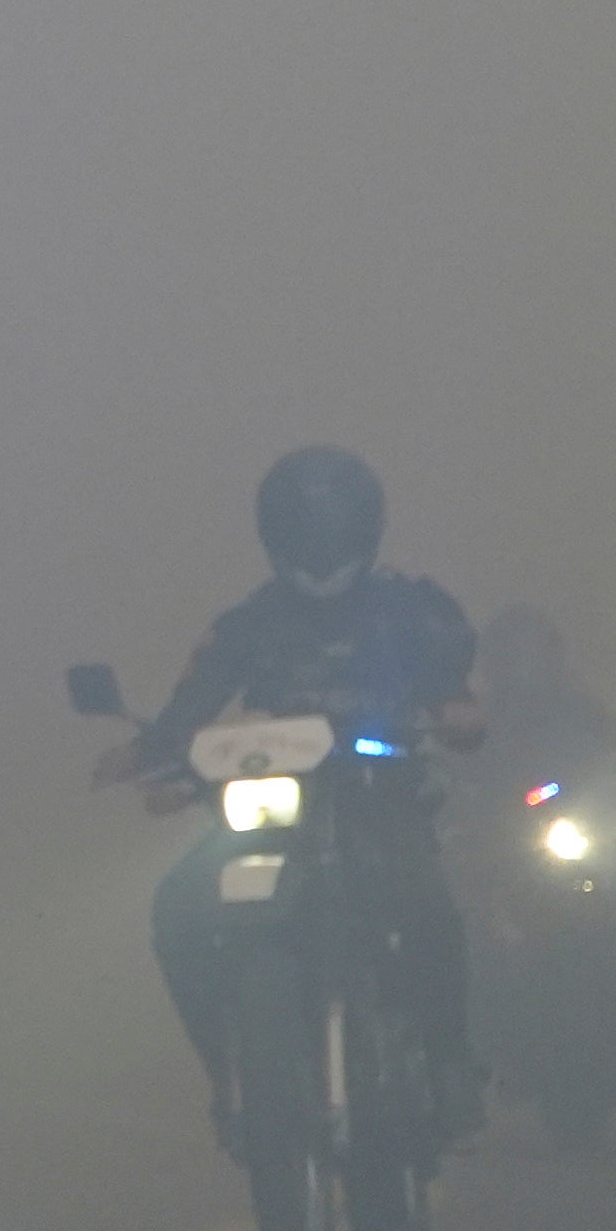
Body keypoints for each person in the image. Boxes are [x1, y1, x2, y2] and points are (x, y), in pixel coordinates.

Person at [110, 445, 481, 1135]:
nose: (319, 546)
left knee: (426, 903)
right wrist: (149, 752)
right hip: (272, 810)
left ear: (365, 528)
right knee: (179, 908)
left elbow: (454, 692)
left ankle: (449, 1059)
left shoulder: (411, 610)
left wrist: (455, 712)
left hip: (380, 801)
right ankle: (231, 1073)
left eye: (333, 529)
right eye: (304, 529)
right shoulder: (245, 625)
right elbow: (192, 706)